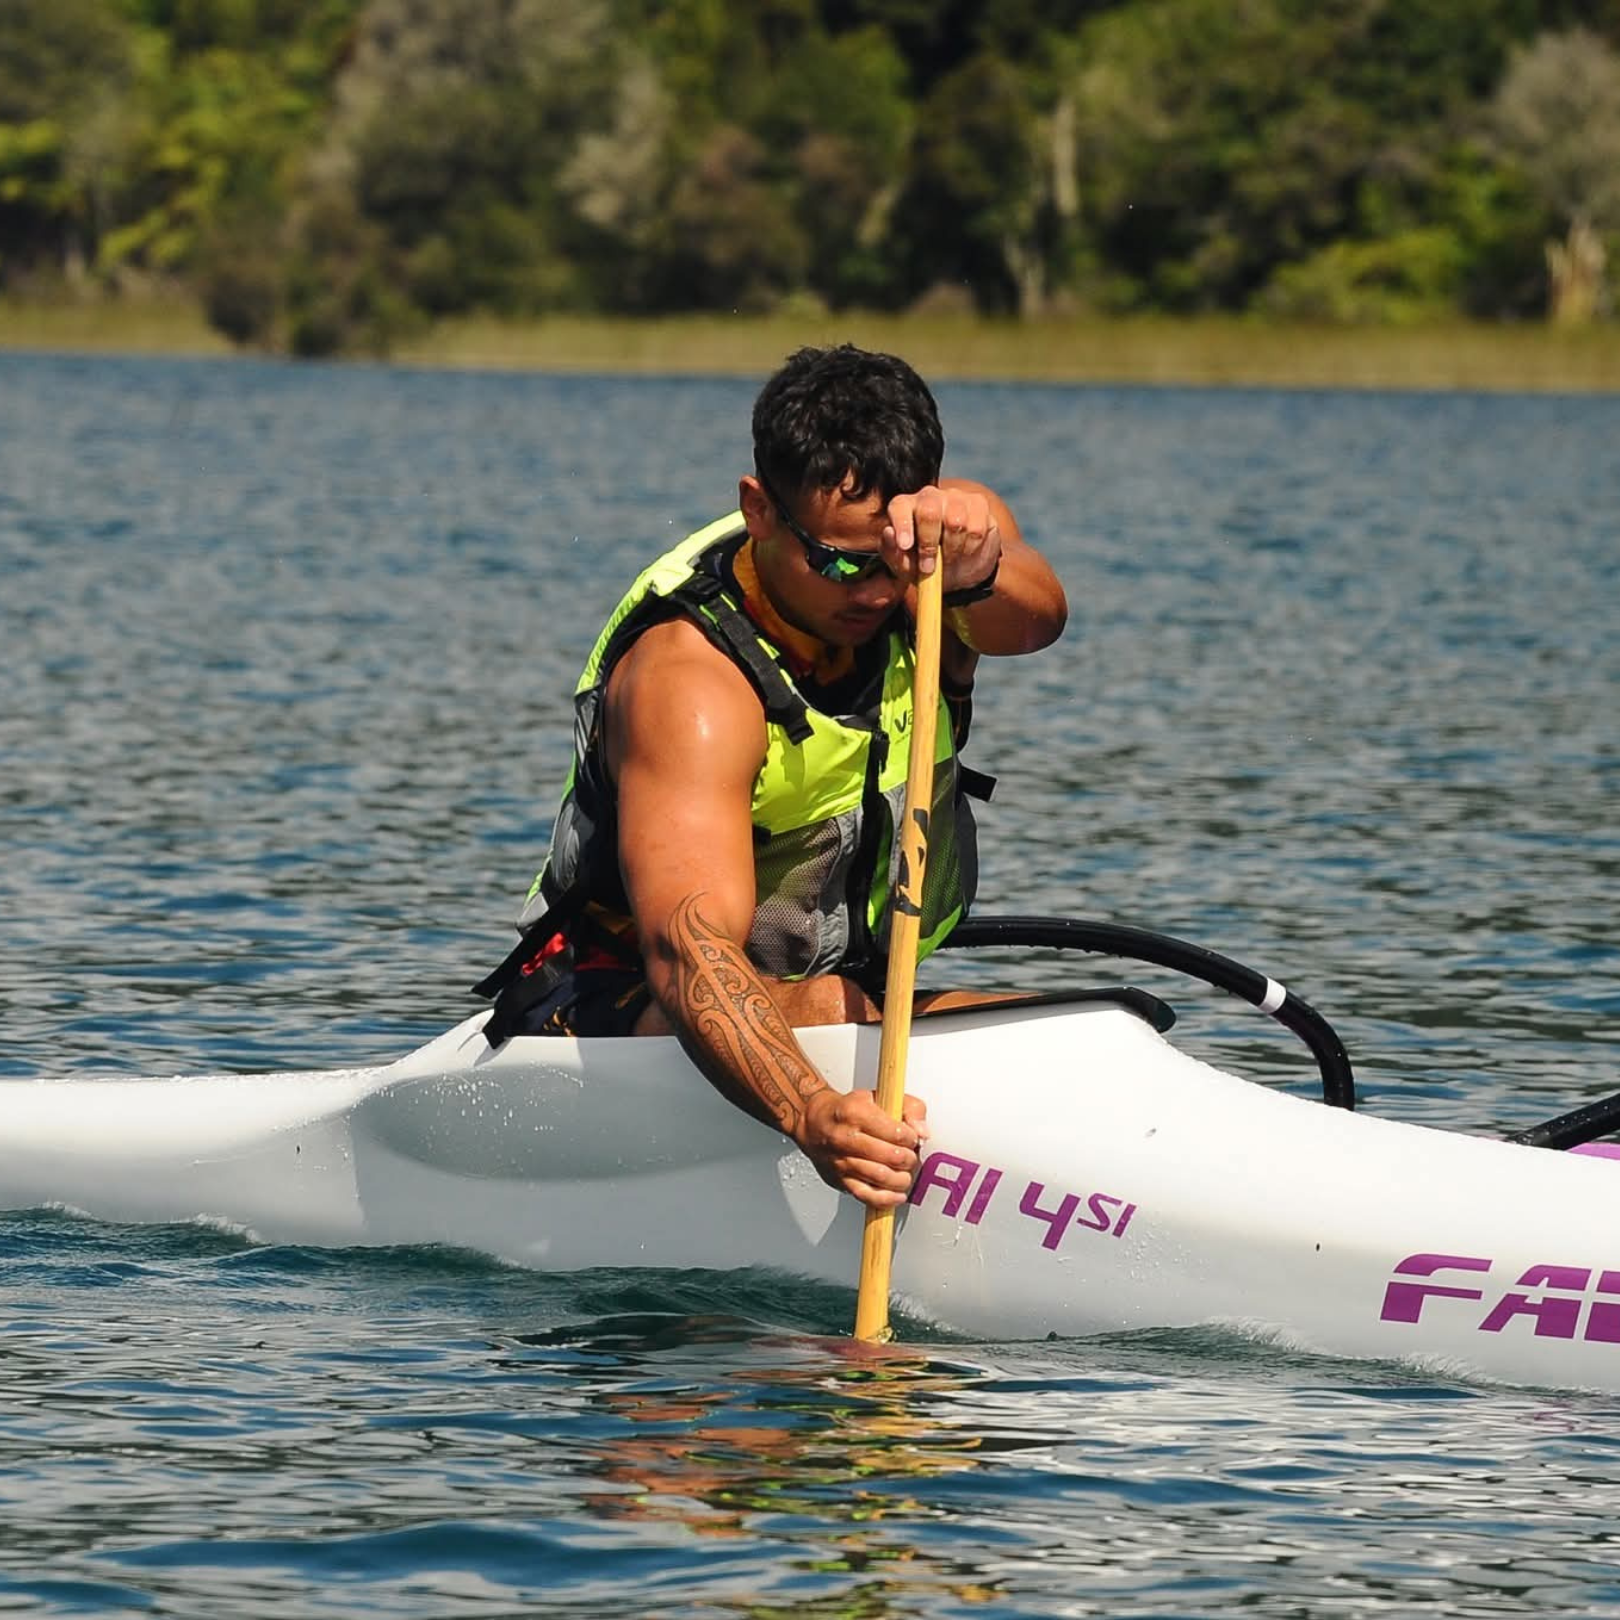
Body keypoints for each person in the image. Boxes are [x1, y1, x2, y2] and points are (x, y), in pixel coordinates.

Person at [475, 345, 1068, 1208]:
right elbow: (689, 950)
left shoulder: (939, 557)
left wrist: (974, 569)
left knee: (1060, 1027)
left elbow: (1037, 620)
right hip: (608, 1005)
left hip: (848, 988)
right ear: (758, 510)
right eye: (839, 562)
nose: (875, 590)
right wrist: (812, 1116)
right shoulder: (693, 683)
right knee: (831, 1012)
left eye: (893, 559)